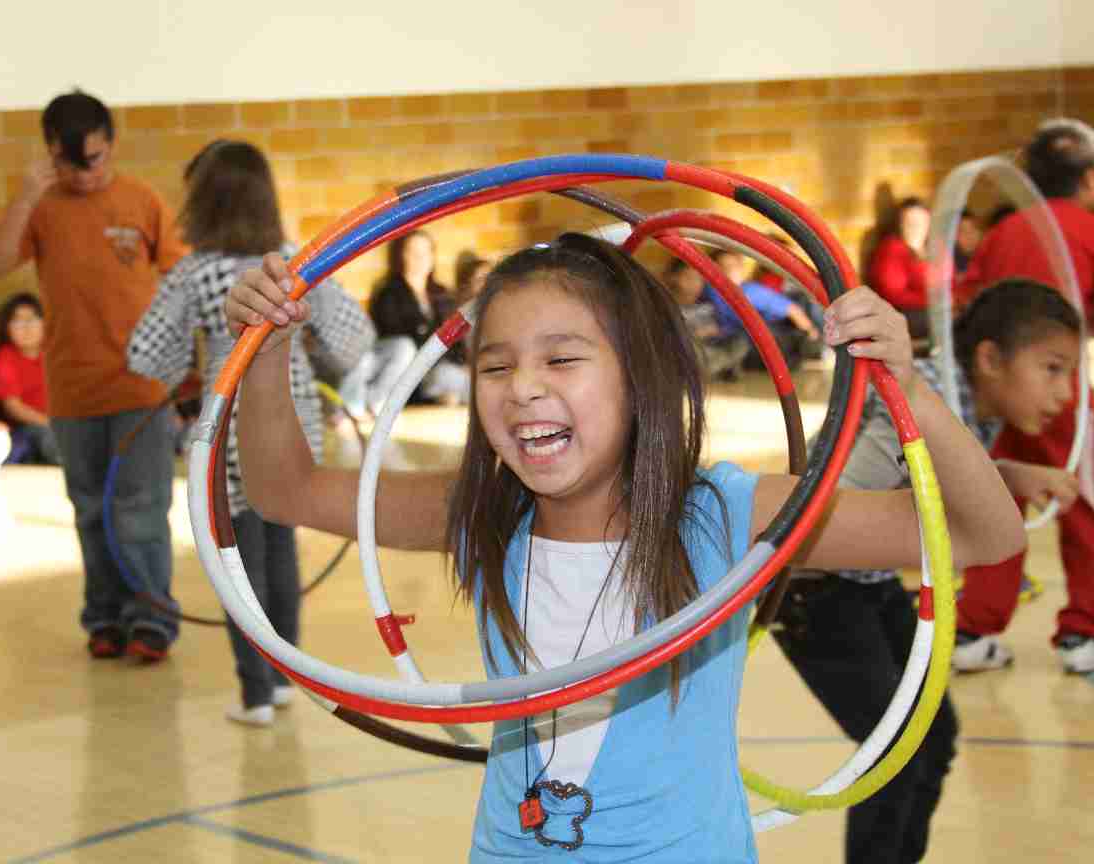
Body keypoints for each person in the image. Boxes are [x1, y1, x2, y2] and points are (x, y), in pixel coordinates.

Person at [226, 232, 1025, 861]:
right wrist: (264, 350)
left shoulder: (725, 516)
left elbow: (985, 535)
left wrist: (909, 386)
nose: (524, 386)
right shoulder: (480, 513)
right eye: (495, 365)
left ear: (641, 378)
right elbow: (284, 490)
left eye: (562, 358)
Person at [778, 278, 1081, 864]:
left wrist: (1004, 475)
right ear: (990, 359)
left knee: (931, 738)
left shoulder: (961, 400)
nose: (1065, 392)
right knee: (895, 753)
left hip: (864, 587)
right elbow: (831, 512)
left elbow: (934, 466)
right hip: (814, 593)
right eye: (1052, 368)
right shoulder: (914, 396)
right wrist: (957, 521)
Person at [128, 140, 373, 725]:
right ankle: (287, 677)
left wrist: (192, 364)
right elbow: (354, 338)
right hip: (294, 421)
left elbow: (145, 354)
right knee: (280, 542)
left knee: (237, 558)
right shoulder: (296, 261)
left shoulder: (193, 274)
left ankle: (256, 693)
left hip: (227, 430)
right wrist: (306, 336)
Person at [0, 89, 187, 660]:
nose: (84, 175)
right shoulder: (42, 206)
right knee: (90, 510)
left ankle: (152, 621)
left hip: (141, 387)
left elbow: (182, 282)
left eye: (95, 160)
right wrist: (28, 195)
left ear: (113, 145)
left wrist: (184, 367)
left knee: (142, 510)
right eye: (70, 164)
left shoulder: (142, 200)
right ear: (51, 153)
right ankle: (104, 617)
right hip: (72, 393)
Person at [952, 117, 1094, 674]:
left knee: (994, 501)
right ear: (1092, 178)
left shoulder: (1005, 232)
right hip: (1063, 399)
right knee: (1082, 506)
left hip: (998, 391)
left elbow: (966, 298)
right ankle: (1084, 630)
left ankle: (974, 627)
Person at [339, 229, 469, 415]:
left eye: (426, 252)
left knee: (457, 377)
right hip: (408, 371)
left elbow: (456, 339)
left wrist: (460, 362)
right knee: (416, 357)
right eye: (413, 252)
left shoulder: (442, 293)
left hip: (438, 369)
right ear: (401, 256)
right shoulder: (388, 293)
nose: (420, 258)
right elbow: (395, 339)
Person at [704, 248, 822, 370]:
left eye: (733, 266)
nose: (729, 271)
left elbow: (794, 310)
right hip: (743, 342)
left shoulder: (750, 292)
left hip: (772, 342)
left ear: (741, 268)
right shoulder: (712, 292)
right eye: (722, 267)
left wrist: (812, 338)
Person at [0, 293, 59, 464]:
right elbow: (14, 408)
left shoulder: (56, 355)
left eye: (33, 319)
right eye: (18, 321)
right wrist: (50, 423)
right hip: (29, 428)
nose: (27, 327)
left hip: (64, 424)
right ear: (6, 328)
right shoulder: (5, 359)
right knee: (49, 439)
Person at [662, 256, 751, 379]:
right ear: (674, 277)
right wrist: (694, 335)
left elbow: (722, 329)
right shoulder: (666, 307)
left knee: (740, 342)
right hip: (685, 351)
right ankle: (718, 367)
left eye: (699, 279)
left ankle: (719, 366)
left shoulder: (708, 306)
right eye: (689, 278)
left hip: (710, 348)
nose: (696, 283)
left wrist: (717, 331)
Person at [868, 197, 932, 338]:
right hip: (903, 315)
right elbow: (894, 296)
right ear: (899, 224)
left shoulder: (935, 249)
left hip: (936, 311)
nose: (915, 227)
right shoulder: (891, 249)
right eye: (909, 223)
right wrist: (935, 302)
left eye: (920, 222)